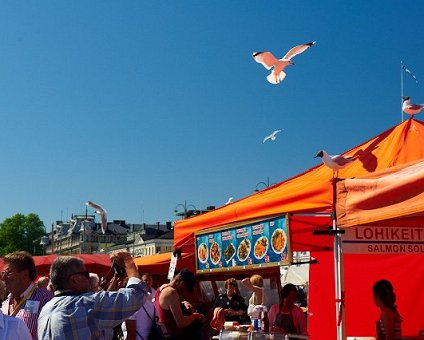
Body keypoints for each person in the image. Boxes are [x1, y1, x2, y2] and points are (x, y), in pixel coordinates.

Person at [37, 252, 148, 339]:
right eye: (85, 275)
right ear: (74, 280)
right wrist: (128, 263)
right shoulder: (85, 304)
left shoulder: (45, 309)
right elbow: (137, 295)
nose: (89, 278)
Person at [0, 251, 53, 340]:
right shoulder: (5, 303)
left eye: (8, 273)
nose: (3, 278)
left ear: (25, 275)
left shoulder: (45, 299)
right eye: (2, 273)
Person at [155, 268, 206, 339]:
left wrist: (183, 302)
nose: (184, 294)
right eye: (186, 290)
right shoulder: (172, 292)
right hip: (173, 336)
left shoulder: (162, 288)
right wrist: (196, 316)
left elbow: (167, 304)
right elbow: (181, 323)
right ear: (183, 284)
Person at [123, 273, 157, 340]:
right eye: (145, 280)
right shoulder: (133, 298)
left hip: (149, 335)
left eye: (150, 280)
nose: (148, 282)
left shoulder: (154, 295)